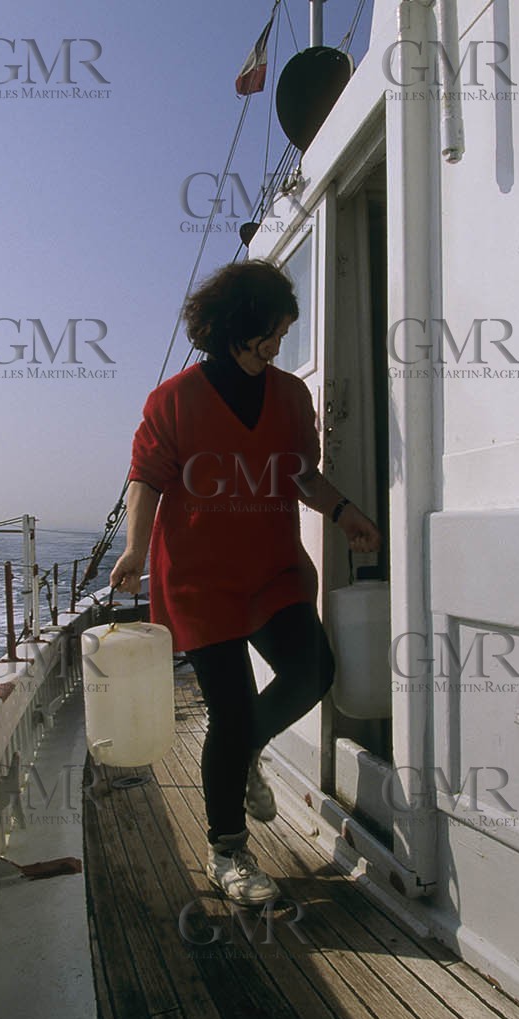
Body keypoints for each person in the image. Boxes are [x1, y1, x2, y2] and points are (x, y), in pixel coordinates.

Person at [108, 260, 381, 905]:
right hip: (202, 585)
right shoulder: (171, 401)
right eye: (273, 330)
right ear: (238, 324)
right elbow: (146, 480)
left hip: (273, 574)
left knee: (313, 672)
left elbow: (300, 475)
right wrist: (134, 554)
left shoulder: (291, 397)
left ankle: (243, 750)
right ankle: (227, 851)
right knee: (230, 712)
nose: (279, 343)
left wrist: (346, 515)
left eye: (285, 332)